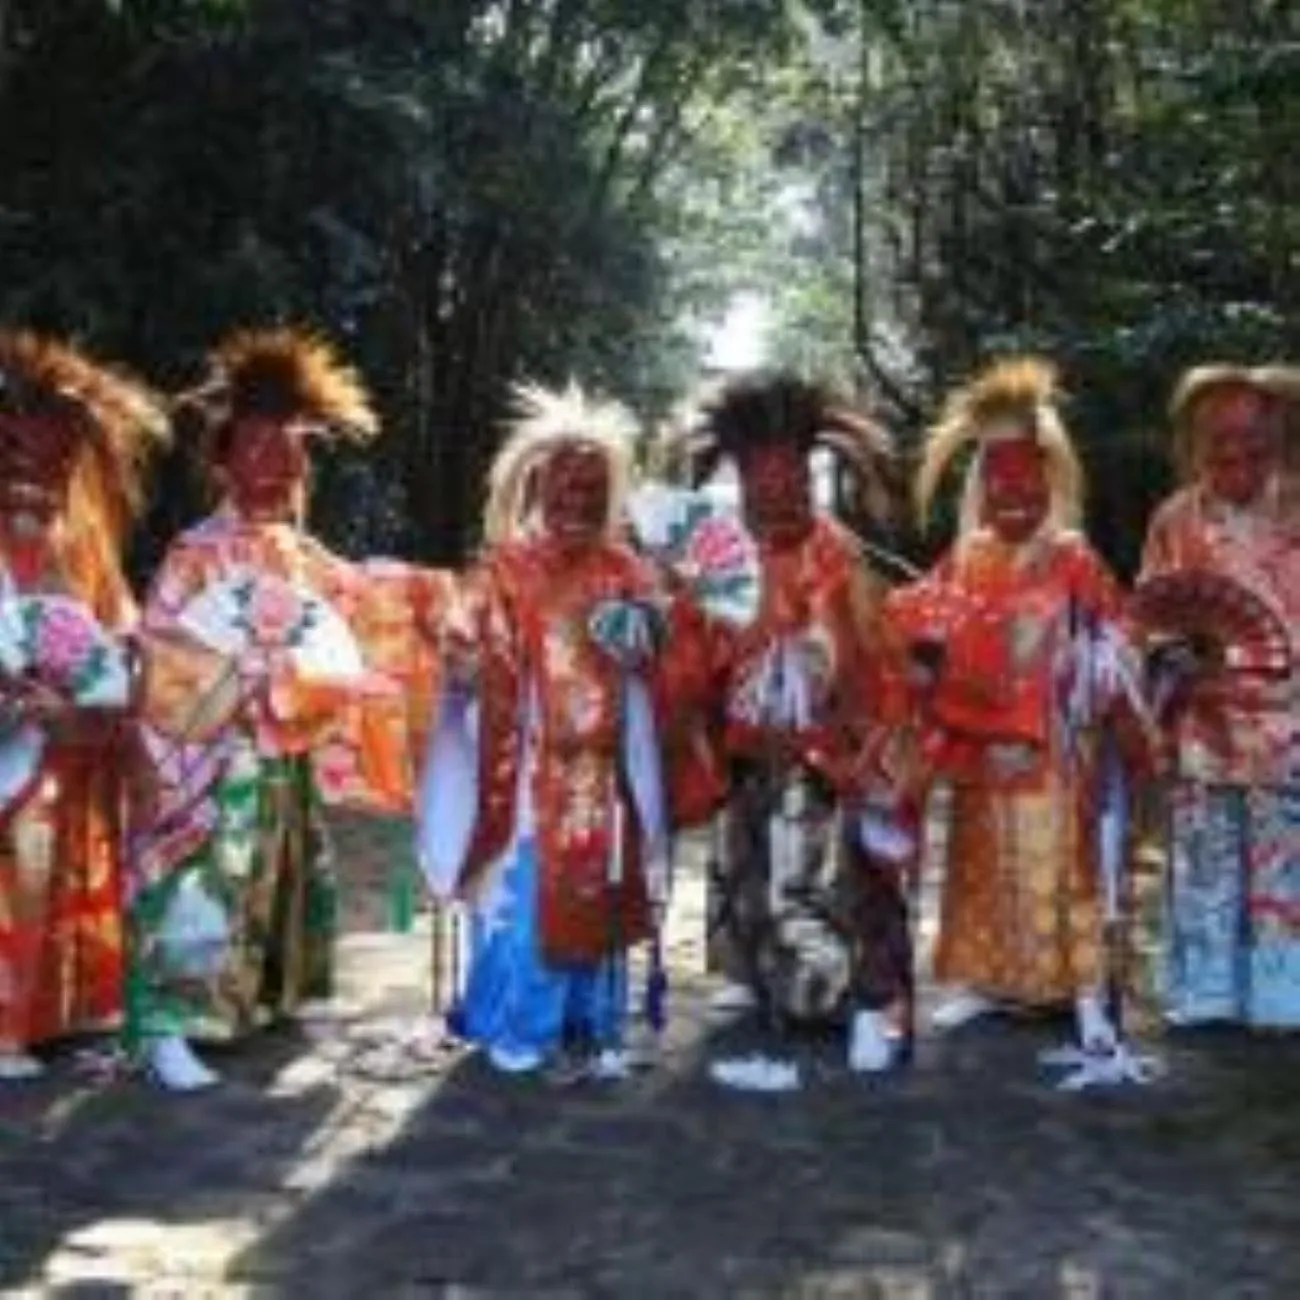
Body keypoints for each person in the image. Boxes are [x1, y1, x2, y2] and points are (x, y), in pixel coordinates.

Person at [128, 327, 452, 1091]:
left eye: (290, 450)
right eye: (256, 449)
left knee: (287, 869)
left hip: (286, 750)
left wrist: (433, 598)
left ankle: (278, 994)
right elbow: (166, 663)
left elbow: (362, 611)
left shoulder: (302, 554)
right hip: (209, 759)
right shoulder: (193, 553)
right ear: (223, 458)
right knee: (205, 878)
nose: (276, 466)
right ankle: (171, 1025)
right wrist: (237, 679)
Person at [417, 382, 682, 1079]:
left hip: (603, 772)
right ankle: (512, 1020)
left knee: (596, 894)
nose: (578, 505)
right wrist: (464, 655)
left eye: (593, 491)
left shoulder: (628, 570)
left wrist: (648, 643)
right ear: (537, 488)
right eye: (563, 490)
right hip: (526, 771)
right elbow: (462, 635)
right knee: (524, 896)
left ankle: (583, 1023)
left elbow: (662, 653)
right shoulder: (504, 567)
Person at [905, 356, 1140, 1058]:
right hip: (979, 750)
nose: (1012, 494)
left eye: (1026, 479)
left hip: (1057, 756)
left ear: (1051, 482)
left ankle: (1084, 991)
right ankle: (986, 979)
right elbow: (925, 623)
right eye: (997, 479)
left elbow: (1119, 640)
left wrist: (1100, 681)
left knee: (1065, 871)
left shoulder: (1075, 559)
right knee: (981, 865)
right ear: (980, 486)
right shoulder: (965, 557)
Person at [686, 372, 912, 1074]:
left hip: (822, 759)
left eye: (794, 483)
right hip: (744, 749)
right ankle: (754, 977)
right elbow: (697, 654)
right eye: (763, 484)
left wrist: (829, 699)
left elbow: (872, 663)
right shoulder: (717, 555)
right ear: (742, 483)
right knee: (742, 865)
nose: (780, 497)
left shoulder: (839, 556)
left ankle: (833, 993)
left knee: (811, 871)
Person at [0, 328, 167, 1080]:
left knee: (54, 868)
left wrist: (122, 656)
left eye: (63, 459)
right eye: (29, 455)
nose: (46, 472)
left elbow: (116, 619)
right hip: (13, 740)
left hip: (68, 743)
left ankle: (48, 1017)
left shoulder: (83, 539)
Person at [1137, 364, 1299, 1028]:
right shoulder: (1175, 518)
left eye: (1251, 436)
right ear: (1194, 440)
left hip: (1289, 727)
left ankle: (1282, 994)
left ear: (1279, 432)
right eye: (1218, 437)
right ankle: (1205, 991)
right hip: (1203, 726)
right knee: (1204, 862)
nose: (1234, 450)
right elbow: (1150, 615)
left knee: (1285, 870)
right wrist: (1180, 664)